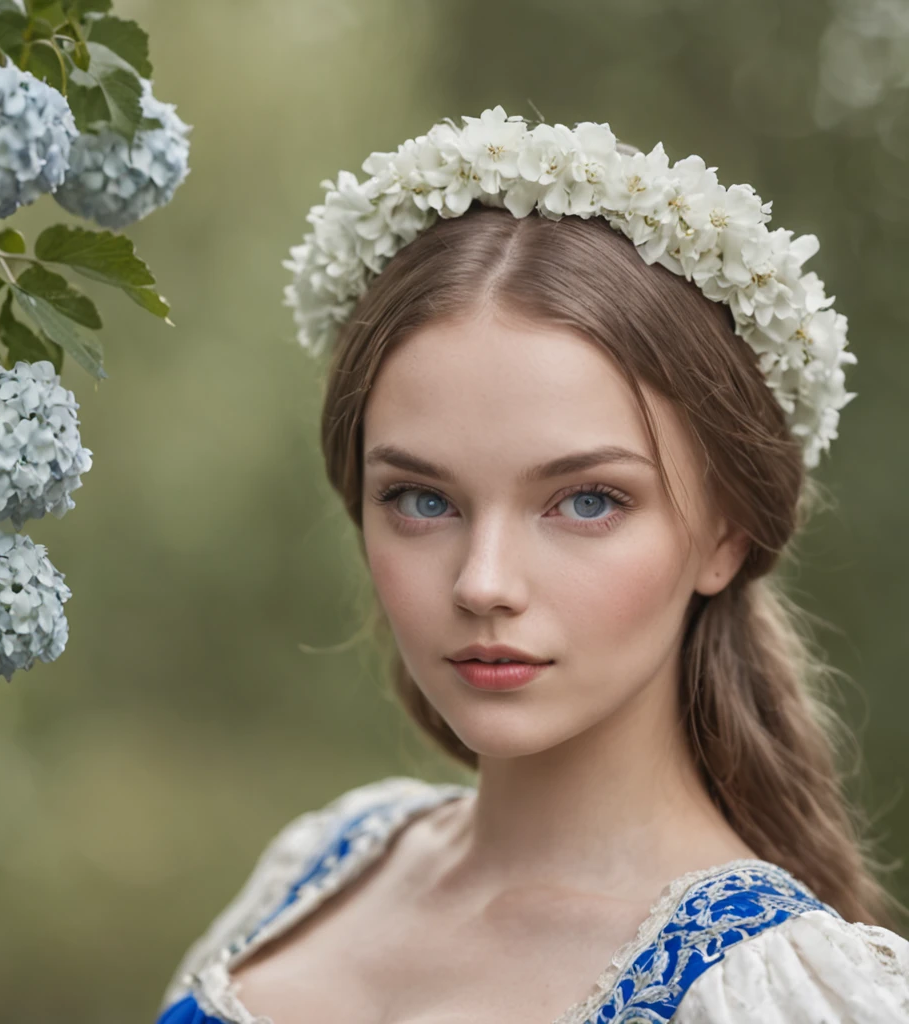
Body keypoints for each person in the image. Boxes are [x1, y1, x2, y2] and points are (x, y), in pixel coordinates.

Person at [155, 109, 909, 1023]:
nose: (483, 583)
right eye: (422, 500)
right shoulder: (318, 866)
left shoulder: (771, 992)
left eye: (587, 501)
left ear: (726, 535)